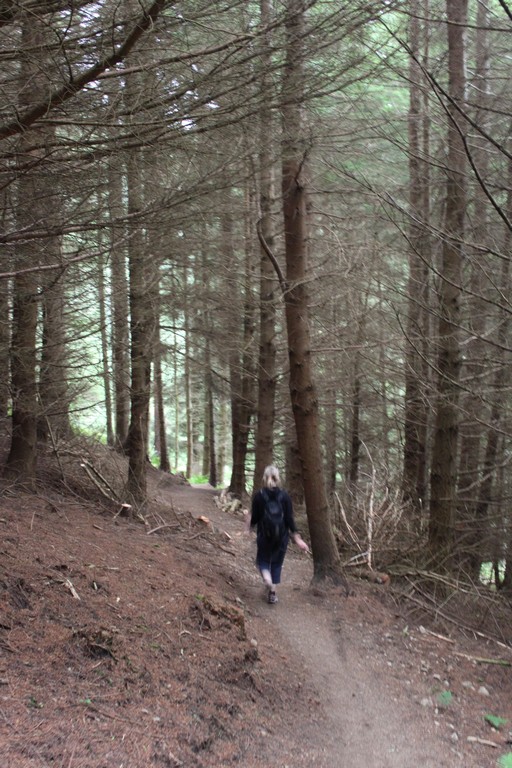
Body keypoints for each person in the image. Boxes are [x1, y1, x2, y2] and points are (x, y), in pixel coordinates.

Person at [246, 465, 309, 604]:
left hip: (264, 536)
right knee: (276, 564)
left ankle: (267, 579)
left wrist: (249, 525)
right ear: (278, 478)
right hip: (282, 537)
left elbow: (255, 518)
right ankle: (272, 593)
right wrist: (297, 538)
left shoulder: (259, 496)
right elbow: (289, 519)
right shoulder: (284, 496)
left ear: (264, 478)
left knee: (262, 561)